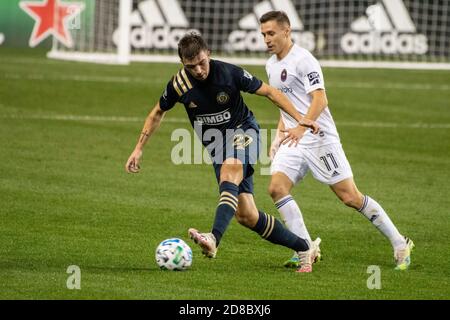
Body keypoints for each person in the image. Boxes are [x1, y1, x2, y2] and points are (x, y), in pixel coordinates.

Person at [125, 32, 322, 272]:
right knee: (246, 215)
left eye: (202, 62)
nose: (198, 70)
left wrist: (301, 119)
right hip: (217, 146)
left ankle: (213, 239)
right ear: (182, 64)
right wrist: (138, 148)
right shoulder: (179, 84)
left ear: (208, 53)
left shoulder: (229, 73)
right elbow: (157, 112)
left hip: (244, 131)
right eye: (191, 66)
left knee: (231, 170)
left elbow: (270, 92)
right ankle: (304, 247)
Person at [259, 11, 414, 271]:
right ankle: (305, 248)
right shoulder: (271, 65)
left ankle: (400, 242)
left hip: (320, 138)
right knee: (276, 188)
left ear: (287, 32)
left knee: (350, 197)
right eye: (263, 34)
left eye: (271, 33)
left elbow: (320, 100)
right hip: (294, 139)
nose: (266, 39)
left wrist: (300, 127)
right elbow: (284, 105)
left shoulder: (304, 60)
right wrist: (279, 136)